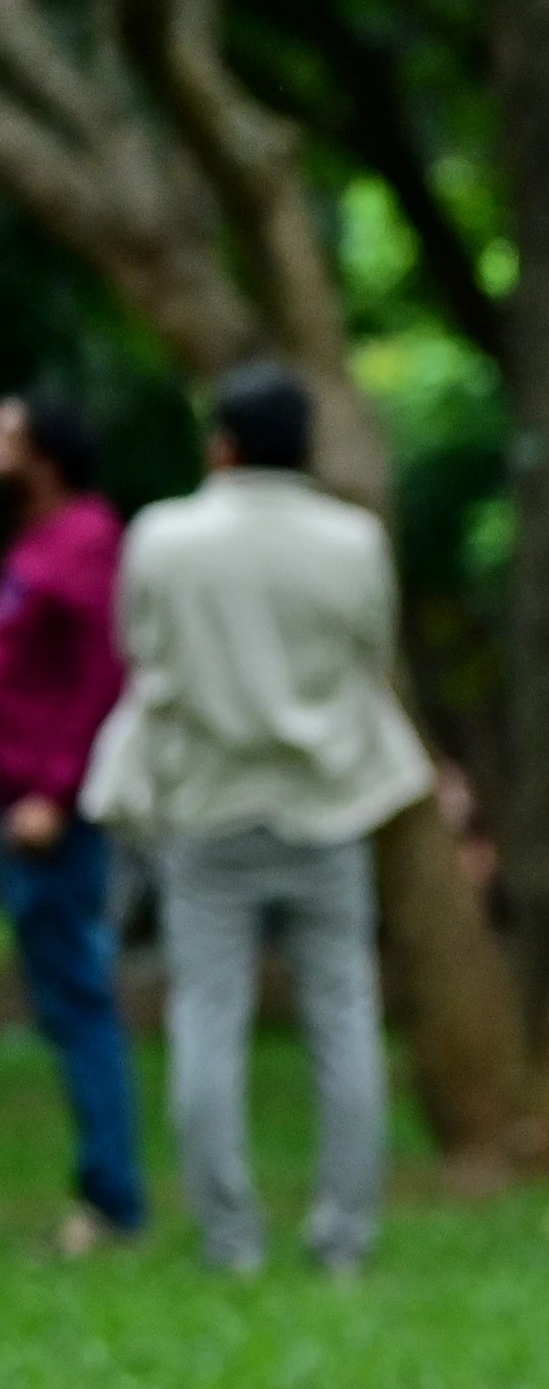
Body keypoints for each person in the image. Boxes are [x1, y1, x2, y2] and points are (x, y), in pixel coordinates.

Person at [76, 368, 432, 1277]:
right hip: (328, 802)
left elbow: (141, 652)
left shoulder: (163, 535)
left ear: (222, 443)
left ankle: (231, 1243)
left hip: (205, 805)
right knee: (345, 1020)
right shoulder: (354, 540)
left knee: (207, 1019)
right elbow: (368, 653)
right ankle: (343, 1242)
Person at [0, 391, 143, 1255]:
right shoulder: (34, 540)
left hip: (46, 813)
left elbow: (99, 681)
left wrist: (57, 790)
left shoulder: (86, 542)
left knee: (76, 1000)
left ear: (44, 454)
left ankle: (113, 1198)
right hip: (17, 799)